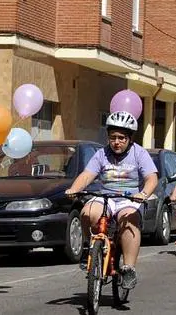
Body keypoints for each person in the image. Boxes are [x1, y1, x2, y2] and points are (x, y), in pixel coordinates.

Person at [65, 111, 158, 290]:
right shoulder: (101, 154)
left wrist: (143, 194)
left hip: (129, 199)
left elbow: (151, 178)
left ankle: (129, 268)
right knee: (87, 212)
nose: (117, 142)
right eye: (113, 137)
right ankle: (89, 249)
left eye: (122, 138)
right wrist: (74, 189)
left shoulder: (140, 153)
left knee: (129, 219)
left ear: (130, 138)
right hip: (105, 196)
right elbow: (86, 175)